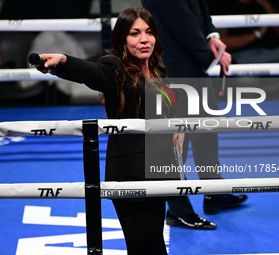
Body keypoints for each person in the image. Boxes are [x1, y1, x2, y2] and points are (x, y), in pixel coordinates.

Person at [34, 7, 184, 255]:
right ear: (122, 38)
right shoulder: (114, 67)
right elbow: (93, 74)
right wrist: (63, 61)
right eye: (135, 33)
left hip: (159, 170)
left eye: (149, 32)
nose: (144, 39)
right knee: (146, 247)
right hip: (131, 172)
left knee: (151, 243)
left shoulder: (156, 68)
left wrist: (178, 124)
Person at [142, 0, 248, 225]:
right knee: (176, 139)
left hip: (192, 62)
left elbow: (200, 6)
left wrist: (212, 36)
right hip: (173, 66)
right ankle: (178, 208)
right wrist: (210, 56)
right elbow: (180, 19)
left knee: (207, 130)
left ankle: (214, 191)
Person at [206, 0, 279, 64]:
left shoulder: (271, 3)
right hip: (243, 56)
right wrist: (256, 34)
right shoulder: (224, 5)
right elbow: (223, 42)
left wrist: (266, 5)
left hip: (273, 51)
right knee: (246, 78)